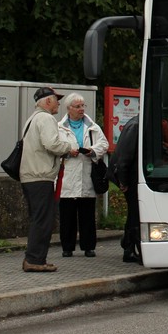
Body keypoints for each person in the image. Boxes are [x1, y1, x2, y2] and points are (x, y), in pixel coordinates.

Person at [20, 87, 74, 272]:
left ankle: (35, 258)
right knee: (43, 220)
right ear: (47, 101)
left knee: (38, 218)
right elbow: (52, 143)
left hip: (31, 175)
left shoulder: (32, 119)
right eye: (56, 99)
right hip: (40, 176)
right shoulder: (46, 118)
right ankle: (34, 260)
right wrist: (68, 147)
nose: (59, 103)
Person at [57, 93, 109, 258]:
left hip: (87, 174)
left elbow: (104, 144)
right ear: (69, 108)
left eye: (83, 106)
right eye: (77, 106)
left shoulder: (92, 127)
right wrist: (67, 151)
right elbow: (53, 147)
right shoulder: (59, 127)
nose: (81, 109)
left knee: (87, 214)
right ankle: (67, 247)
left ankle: (88, 246)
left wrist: (93, 151)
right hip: (68, 175)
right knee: (67, 215)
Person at [112, 115, 142, 263]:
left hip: (131, 175)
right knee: (135, 212)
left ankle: (129, 246)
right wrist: (123, 181)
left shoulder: (137, 124)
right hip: (128, 175)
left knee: (134, 212)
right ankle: (131, 247)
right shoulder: (135, 126)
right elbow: (125, 157)